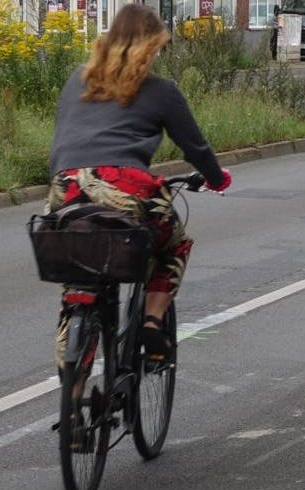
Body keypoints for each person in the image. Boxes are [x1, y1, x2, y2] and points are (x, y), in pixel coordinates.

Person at [46, 4, 231, 366]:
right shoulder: (161, 90)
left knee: (78, 280)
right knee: (174, 246)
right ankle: (151, 320)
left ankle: (73, 395)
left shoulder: (76, 80)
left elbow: (60, 141)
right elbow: (195, 147)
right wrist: (217, 178)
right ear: (150, 46)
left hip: (65, 189)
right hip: (125, 190)